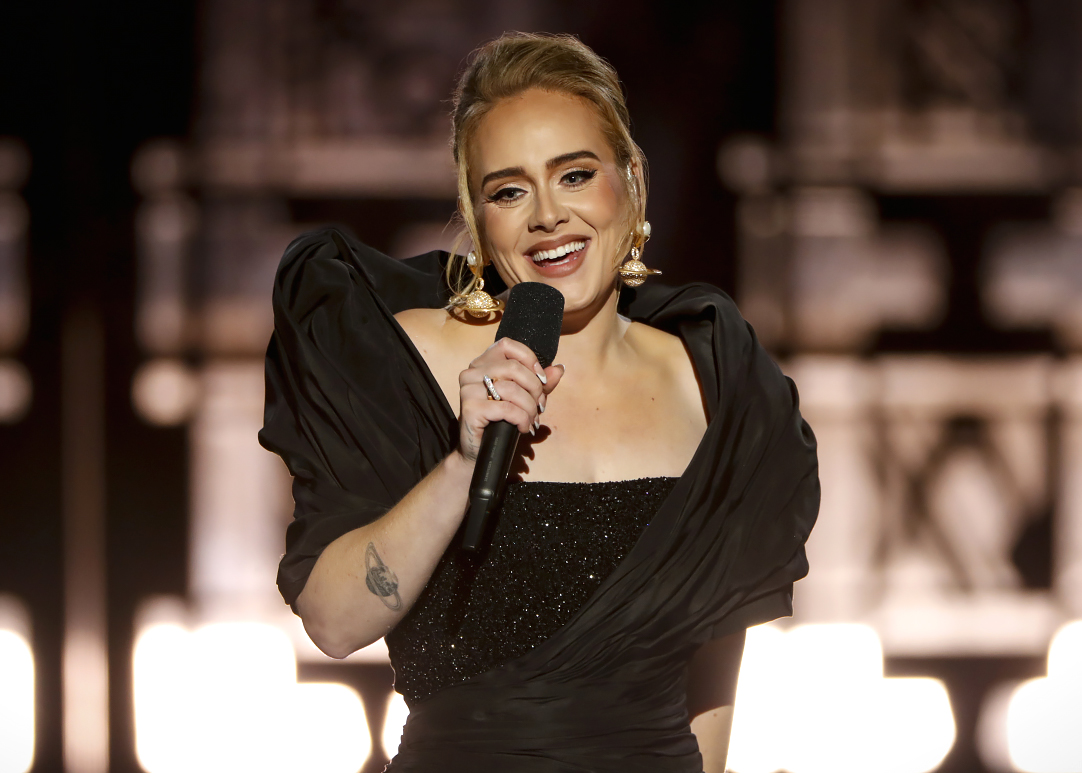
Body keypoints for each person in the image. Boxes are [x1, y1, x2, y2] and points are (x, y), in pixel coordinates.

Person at [259, 32, 818, 773]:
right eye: (509, 191)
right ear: (478, 217)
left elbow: (714, 669)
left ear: (632, 181)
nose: (548, 215)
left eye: (575, 175)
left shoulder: (715, 377)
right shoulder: (403, 356)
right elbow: (334, 622)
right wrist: (462, 465)